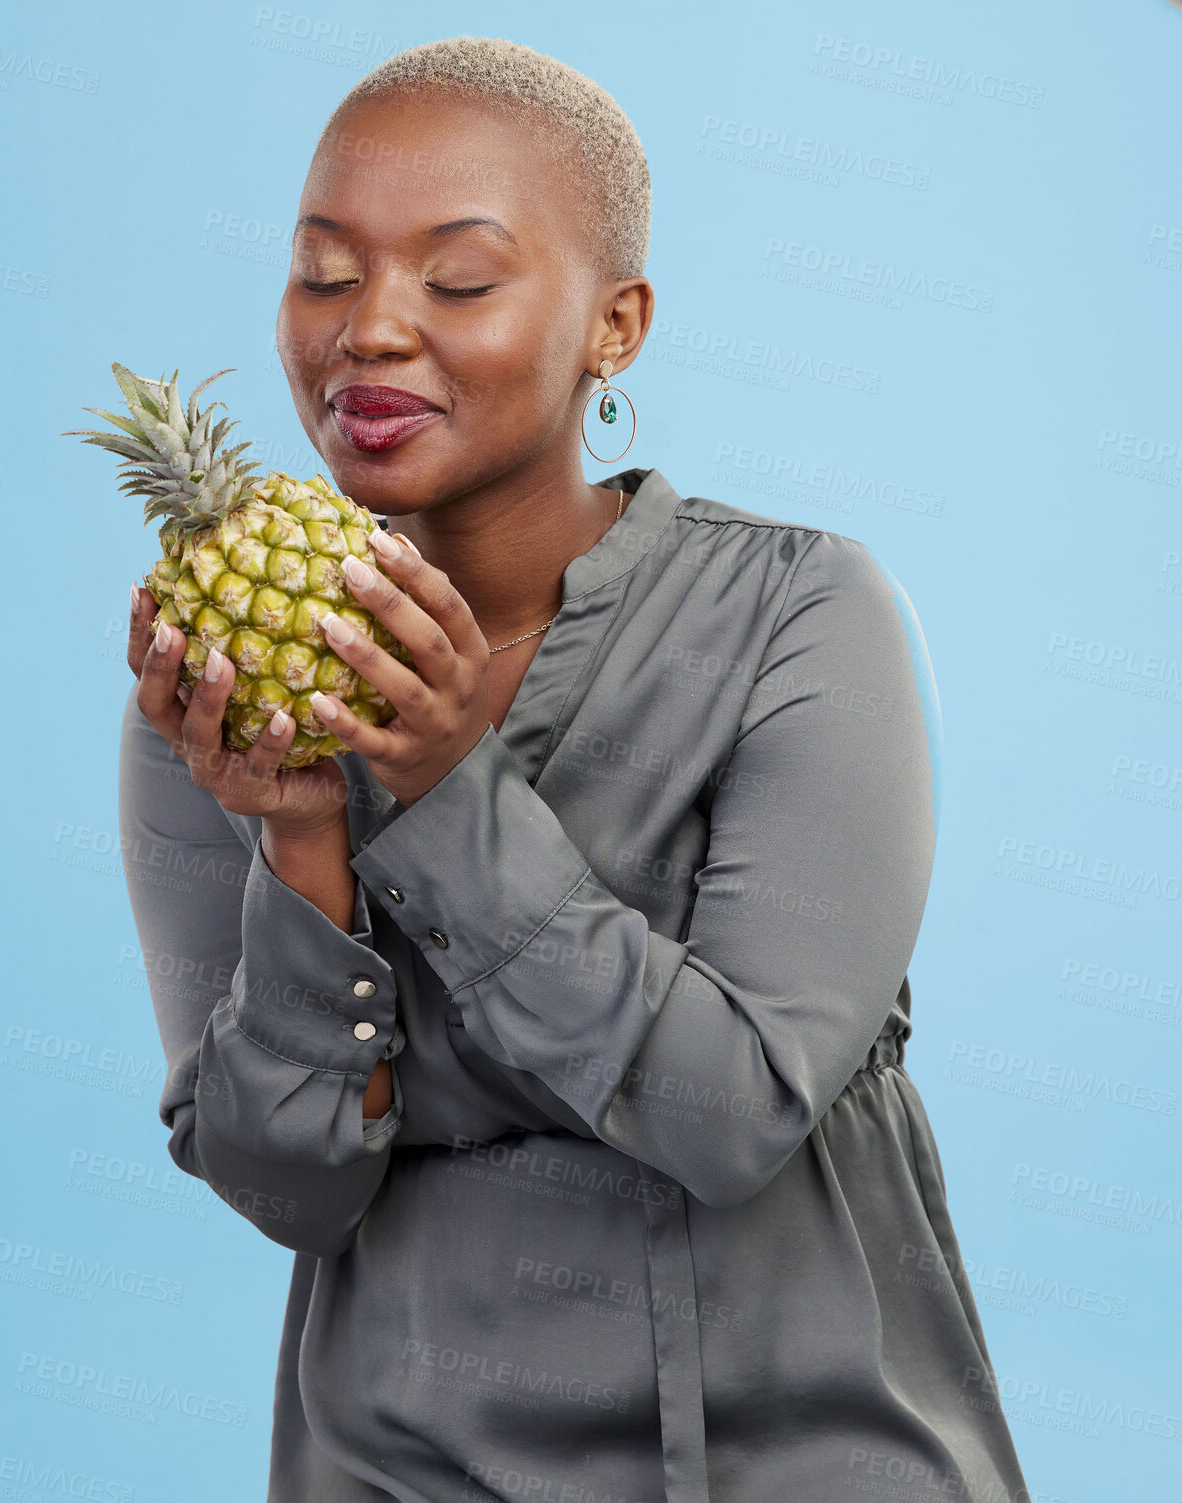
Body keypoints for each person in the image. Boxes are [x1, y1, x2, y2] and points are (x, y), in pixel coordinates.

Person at [118, 35, 1031, 1503]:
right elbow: (283, 1187)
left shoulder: (799, 615)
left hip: (797, 1464)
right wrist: (301, 853)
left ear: (615, 326)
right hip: (396, 1468)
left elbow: (729, 1115)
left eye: (459, 281)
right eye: (325, 271)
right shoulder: (227, 688)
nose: (371, 332)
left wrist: (437, 790)